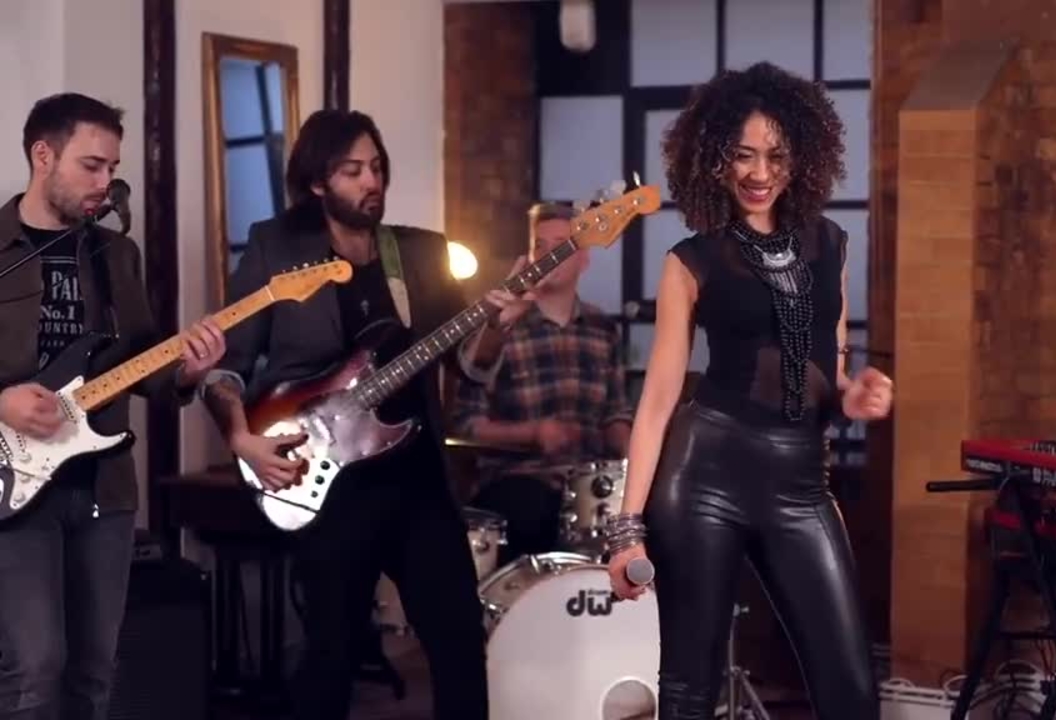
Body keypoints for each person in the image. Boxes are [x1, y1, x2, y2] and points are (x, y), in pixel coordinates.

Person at [201, 108, 517, 720]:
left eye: (376, 167)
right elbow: (226, 367)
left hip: (418, 480)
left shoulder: (421, 252)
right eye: (353, 171)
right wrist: (239, 437)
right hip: (328, 484)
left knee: (458, 640)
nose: (372, 181)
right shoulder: (276, 247)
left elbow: (468, 367)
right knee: (332, 653)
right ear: (318, 181)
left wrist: (497, 329)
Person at [605, 62, 894, 719]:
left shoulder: (830, 244)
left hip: (801, 483)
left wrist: (855, 397)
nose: (760, 172)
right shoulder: (690, 261)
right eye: (743, 155)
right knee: (689, 692)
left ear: (802, 157)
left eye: (776, 155)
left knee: (851, 693)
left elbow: (831, 371)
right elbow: (658, 402)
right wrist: (626, 531)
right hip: (704, 477)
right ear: (714, 158)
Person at [0, 93, 225, 720]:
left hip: (103, 488)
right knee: (34, 670)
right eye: (91, 165)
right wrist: (1, 403)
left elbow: (142, 364)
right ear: (43, 155)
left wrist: (188, 369)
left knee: (94, 674)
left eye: (112, 168)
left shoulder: (117, 255)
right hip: (13, 487)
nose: (105, 182)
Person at [452, 201, 633, 562]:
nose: (549, 255)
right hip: (517, 480)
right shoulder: (499, 325)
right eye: (540, 245)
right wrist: (534, 433)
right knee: (532, 512)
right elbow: (466, 424)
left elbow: (616, 414)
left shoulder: (603, 329)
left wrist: (636, 464)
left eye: (561, 246)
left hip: (592, 487)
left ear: (583, 259)